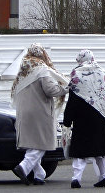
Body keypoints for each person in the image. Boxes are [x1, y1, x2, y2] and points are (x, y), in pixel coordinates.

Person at [11, 43, 69, 185]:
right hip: (39, 111)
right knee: (42, 142)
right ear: (42, 54)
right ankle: (24, 167)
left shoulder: (23, 70)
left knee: (32, 142)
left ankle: (39, 175)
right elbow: (51, 90)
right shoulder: (41, 69)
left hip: (23, 111)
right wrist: (65, 89)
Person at [63, 49, 105, 188]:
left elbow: (73, 99)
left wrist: (67, 120)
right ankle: (104, 177)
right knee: (101, 151)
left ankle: (76, 178)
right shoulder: (102, 72)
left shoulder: (77, 74)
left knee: (80, 150)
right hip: (100, 116)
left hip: (82, 118)